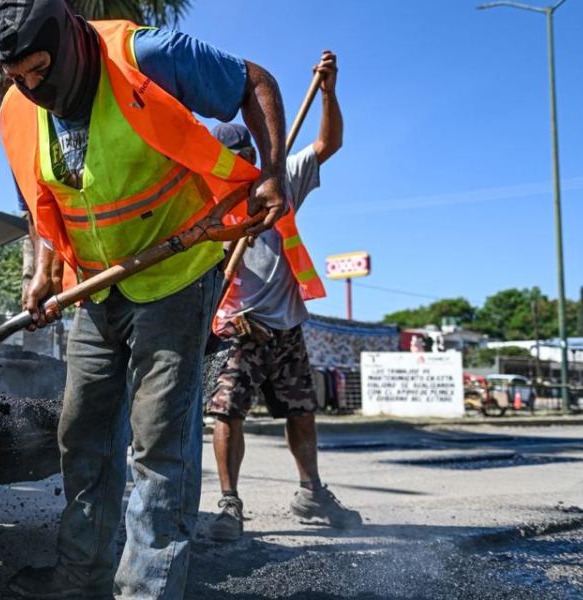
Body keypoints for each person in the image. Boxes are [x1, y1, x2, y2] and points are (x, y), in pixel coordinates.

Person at [0, 0, 323, 596]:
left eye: (41, 69)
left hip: (174, 273)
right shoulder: (18, 110)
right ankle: (80, 575)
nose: (33, 87)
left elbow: (255, 81)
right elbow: (47, 202)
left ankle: (147, 587)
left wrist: (271, 171)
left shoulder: (141, 55)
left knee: (158, 439)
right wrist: (45, 272)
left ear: (70, 40)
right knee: (83, 433)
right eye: (19, 77)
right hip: (97, 289)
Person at [205, 51, 362, 542]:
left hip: (287, 322)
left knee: (301, 410)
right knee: (227, 411)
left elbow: (327, 144)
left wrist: (329, 92)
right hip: (238, 326)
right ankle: (229, 505)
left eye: (247, 159)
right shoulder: (205, 197)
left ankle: (311, 493)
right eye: (234, 161)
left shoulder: (281, 175)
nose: (242, 167)